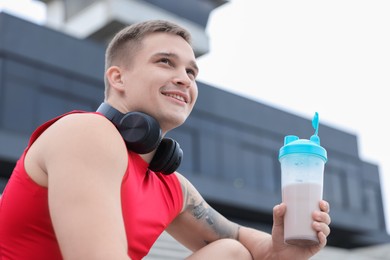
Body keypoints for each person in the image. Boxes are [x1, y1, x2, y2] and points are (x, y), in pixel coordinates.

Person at [0, 20, 331, 259]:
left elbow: (244, 241)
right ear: (117, 78)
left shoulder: (172, 186)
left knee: (230, 253)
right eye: (165, 62)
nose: (183, 79)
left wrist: (283, 250)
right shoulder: (87, 133)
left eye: (191, 72)